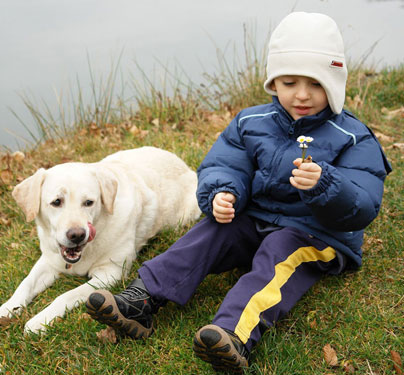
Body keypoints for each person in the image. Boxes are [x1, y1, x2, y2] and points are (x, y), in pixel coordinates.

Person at [85, 12, 392, 373]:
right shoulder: (251, 121)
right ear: (273, 82)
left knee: (281, 254)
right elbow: (225, 164)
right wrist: (223, 192)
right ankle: (142, 299)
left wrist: (326, 185)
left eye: (317, 84)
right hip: (256, 219)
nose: (303, 94)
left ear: (336, 83)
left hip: (317, 234)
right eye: (290, 82)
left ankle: (233, 334)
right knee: (211, 231)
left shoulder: (353, 136)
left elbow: (363, 204)